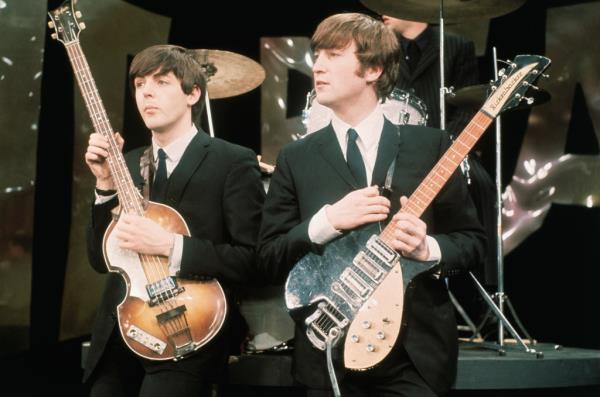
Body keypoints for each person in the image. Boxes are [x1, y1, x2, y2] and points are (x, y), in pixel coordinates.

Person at [258, 12, 486, 397]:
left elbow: (473, 242)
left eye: (333, 55)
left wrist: (427, 247)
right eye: (318, 55)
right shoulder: (296, 157)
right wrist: (327, 221)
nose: (319, 66)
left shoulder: (429, 146)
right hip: (328, 354)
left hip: (414, 358)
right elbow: (266, 258)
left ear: (374, 69)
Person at [83, 44, 264, 397]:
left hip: (188, 331)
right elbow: (99, 260)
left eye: (161, 82)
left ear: (193, 93)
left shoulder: (232, 162)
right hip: (121, 328)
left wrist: (169, 246)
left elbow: (254, 260)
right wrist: (104, 186)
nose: (146, 92)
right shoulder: (126, 163)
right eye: (139, 84)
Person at [383, 15, 497, 286]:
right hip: (394, 151)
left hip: (447, 149)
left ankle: (484, 287)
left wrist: (450, 149)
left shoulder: (456, 45)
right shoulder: (382, 47)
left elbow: (468, 106)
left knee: (481, 184)